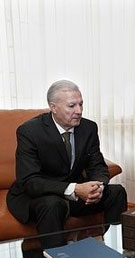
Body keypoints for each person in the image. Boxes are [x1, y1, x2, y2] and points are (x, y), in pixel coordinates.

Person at [7, 80, 127, 249]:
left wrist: (97, 186)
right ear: (53, 107)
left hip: (76, 195)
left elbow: (97, 165)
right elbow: (30, 181)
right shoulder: (30, 132)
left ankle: (110, 249)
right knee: (52, 205)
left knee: (117, 192)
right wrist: (75, 188)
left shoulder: (88, 128)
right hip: (41, 195)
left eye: (81, 104)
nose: (79, 111)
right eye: (72, 106)